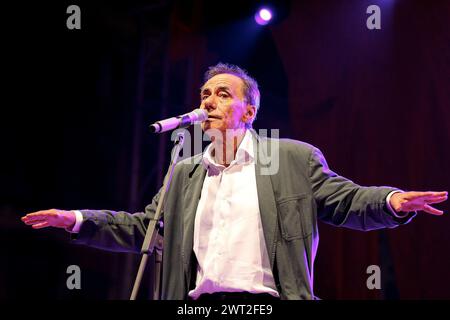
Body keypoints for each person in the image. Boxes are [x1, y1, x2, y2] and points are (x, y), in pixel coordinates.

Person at [21, 63, 447, 300]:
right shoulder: (183, 173)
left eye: (223, 93)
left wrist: (392, 201)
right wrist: (76, 219)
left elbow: (346, 199)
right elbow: (143, 229)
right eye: (205, 94)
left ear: (250, 111)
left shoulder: (290, 158)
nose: (209, 100)